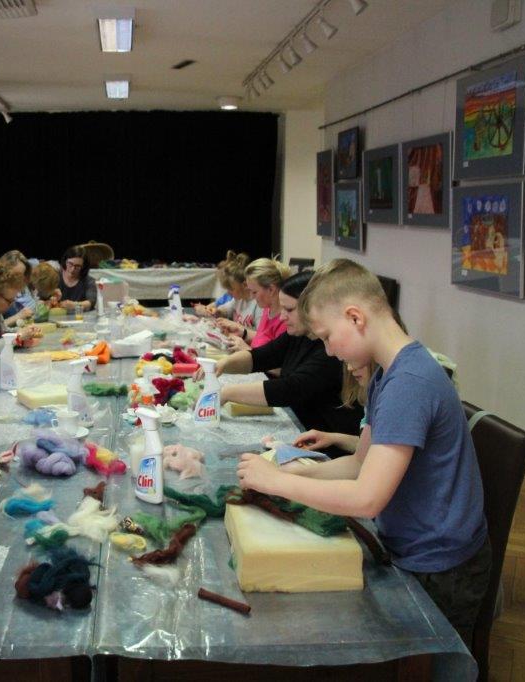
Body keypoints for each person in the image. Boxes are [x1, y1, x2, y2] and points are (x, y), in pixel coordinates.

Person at [236, 258, 489, 644]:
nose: (327, 351)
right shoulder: (386, 374)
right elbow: (359, 463)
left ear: (355, 317)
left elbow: (367, 498)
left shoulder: (409, 383)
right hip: (410, 545)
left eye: (326, 337)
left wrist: (277, 482)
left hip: (439, 567)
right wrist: (288, 473)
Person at [205, 272, 362, 448]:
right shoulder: (298, 334)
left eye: (289, 310)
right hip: (305, 431)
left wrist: (227, 393)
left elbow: (291, 388)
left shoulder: (331, 350)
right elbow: (261, 356)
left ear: (312, 308)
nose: (282, 317)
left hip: (328, 441)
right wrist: (223, 364)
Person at [216, 257, 290, 352]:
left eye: (254, 292)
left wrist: (247, 350)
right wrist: (243, 333)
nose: (251, 296)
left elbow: (277, 360)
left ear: (271, 290)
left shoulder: (285, 321)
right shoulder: (268, 309)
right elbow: (263, 338)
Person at [193, 250, 259, 329]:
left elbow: (262, 335)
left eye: (231, 289)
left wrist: (238, 328)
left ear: (245, 285)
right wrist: (217, 311)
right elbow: (226, 309)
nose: (228, 293)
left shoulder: (258, 305)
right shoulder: (238, 300)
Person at [0, 249, 35, 326]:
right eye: (15, 275)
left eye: (22, 275)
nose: (19, 279)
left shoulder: (23, 286)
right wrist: (18, 316)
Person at [57, 245, 94, 311]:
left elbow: (91, 302)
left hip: (80, 316)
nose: (72, 269)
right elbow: (42, 298)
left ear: (83, 267)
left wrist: (74, 305)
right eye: (70, 264)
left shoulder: (88, 280)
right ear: (65, 261)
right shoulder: (55, 276)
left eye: (77, 266)